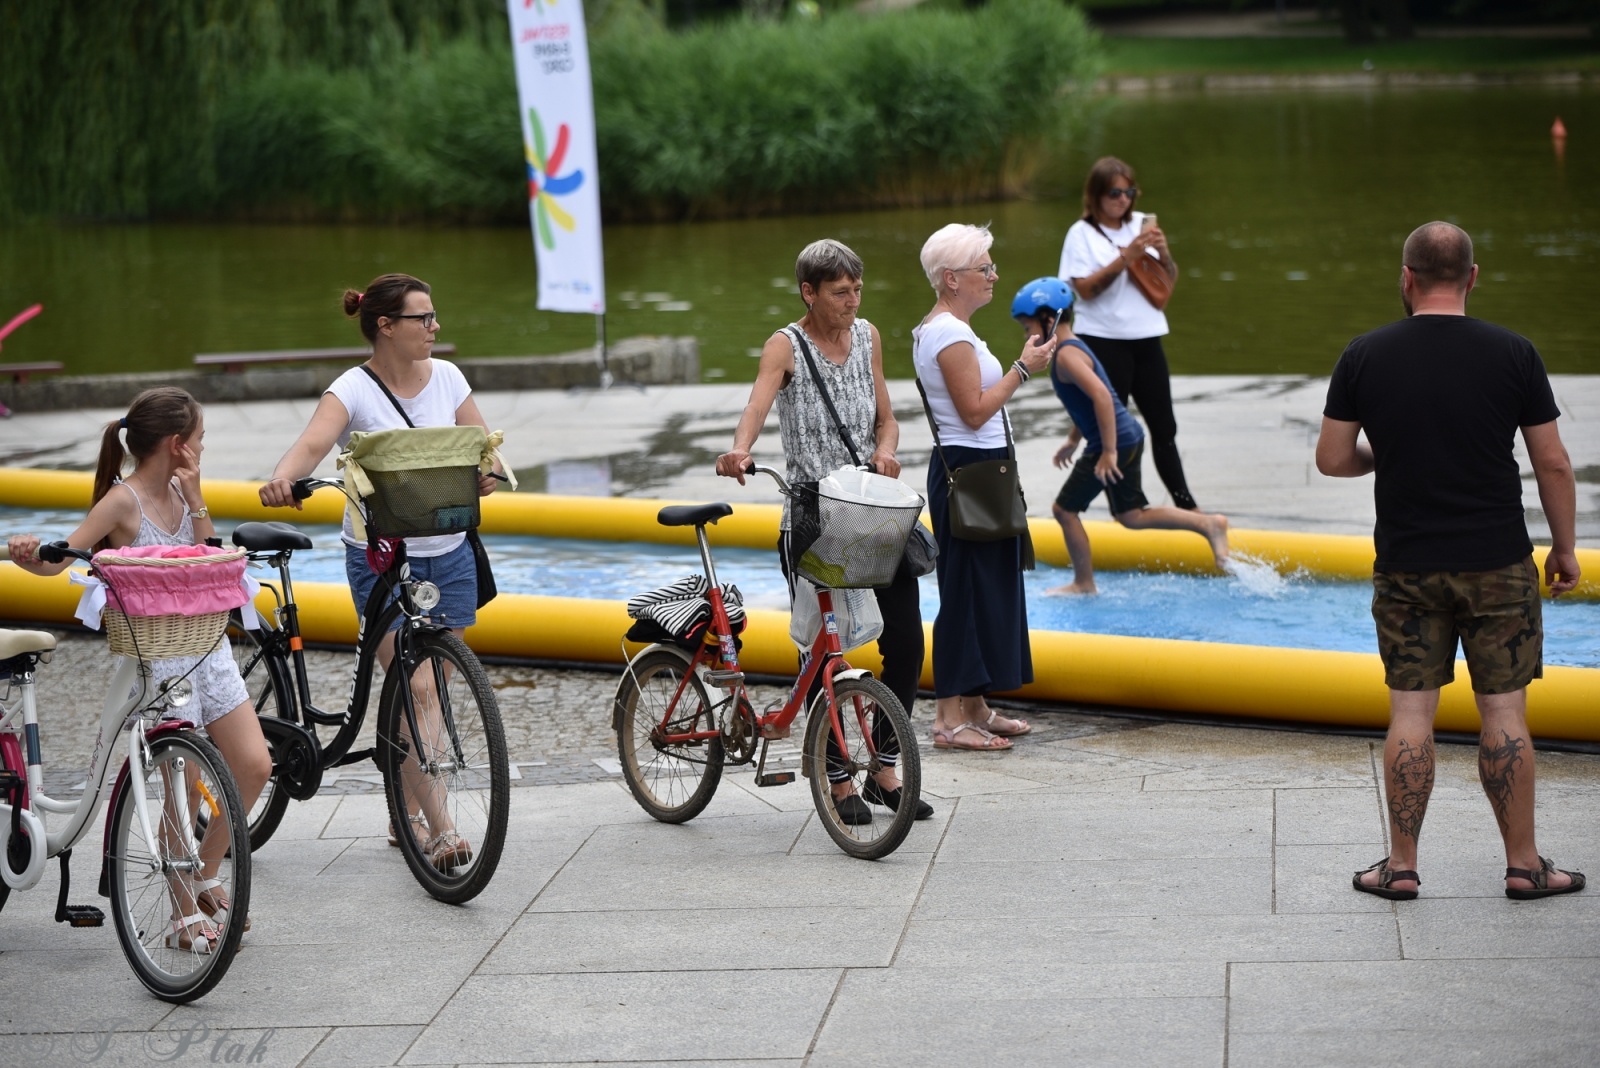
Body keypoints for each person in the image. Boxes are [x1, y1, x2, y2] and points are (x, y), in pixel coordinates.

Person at [1316, 221, 1585, 902]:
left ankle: (1401, 866)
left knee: (1411, 713)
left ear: (1405, 279)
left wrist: (1393, 456)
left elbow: (1333, 458)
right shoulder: (1514, 353)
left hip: (1407, 563)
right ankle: (1524, 865)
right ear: (1472, 276)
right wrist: (1565, 547)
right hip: (1498, 561)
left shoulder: (1365, 354)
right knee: (1504, 713)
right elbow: (1551, 461)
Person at [7, 386, 271, 952]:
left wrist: (197, 498)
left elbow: (210, 561)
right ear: (177, 444)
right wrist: (29, 552)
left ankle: (203, 871)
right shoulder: (121, 503)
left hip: (207, 647)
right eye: (200, 439)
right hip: (157, 655)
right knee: (180, 786)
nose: (204, 447)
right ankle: (181, 912)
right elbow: (67, 560)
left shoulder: (183, 488)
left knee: (253, 765)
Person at [259, 273, 501, 869]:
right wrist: (282, 478)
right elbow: (310, 445)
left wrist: (489, 469)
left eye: (434, 315)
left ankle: (402, 807)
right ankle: (442, 830)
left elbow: (483, 447)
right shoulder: (353, 389)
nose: (436, 327)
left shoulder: (448, 377)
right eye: (424, 318)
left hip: (449, 552)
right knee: (417, 686)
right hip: (383, 560)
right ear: (386, 326)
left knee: (431, 683)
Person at [716, 239, 931, 822]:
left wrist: (887, 450)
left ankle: (885, 766)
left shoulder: (868, 337)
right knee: (825, 652)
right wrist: (739, 449)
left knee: (907, 640)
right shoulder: (784, 346)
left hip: (871, 506)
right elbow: (758, 406)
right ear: (808, 292)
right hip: (815, 512)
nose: (853, 301)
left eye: (858, 289)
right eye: (841, 292)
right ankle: (837, 777)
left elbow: (887, 419)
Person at [912, 224, 1054, 753]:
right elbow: (973, 412)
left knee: (987, 589)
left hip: (982, 468)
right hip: (968, 468)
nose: (994, 275)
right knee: (967, 593)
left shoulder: (953, 328)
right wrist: (1023, 367)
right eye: (984, 268)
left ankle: (975, 707)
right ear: (951, 279)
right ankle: (949, 720)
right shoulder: (948, 333)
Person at [1010, 278, 1231, 595]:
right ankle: (1209, 524)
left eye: (1027, 325)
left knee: (1064, 510)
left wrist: (1108, 452)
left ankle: (1084, 583)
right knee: (1131, 516)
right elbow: (1090, 401)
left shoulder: (1067, 356)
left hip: (1113, 443)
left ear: (1049, 318)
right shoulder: (1074, 347)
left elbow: (1102, 397)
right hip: (1127, 436)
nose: (1026, 333)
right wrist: (1073, 440)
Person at [1059, 157, 1198, 511]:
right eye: (1115, 193)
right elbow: (1085, 290)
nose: (1123, 200)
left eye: (1129, 191)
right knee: (1109, 432)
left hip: (1147, 338)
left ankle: (1187, 506)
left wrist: (1164, 256)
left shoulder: (1140, 224)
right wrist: (1126, 257)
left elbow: (1165, 283)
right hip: (1104, 340)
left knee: (1164, 429)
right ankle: (1124, 507)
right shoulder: (1081, 234)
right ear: (1096, 195)